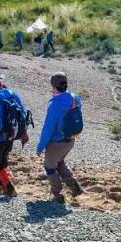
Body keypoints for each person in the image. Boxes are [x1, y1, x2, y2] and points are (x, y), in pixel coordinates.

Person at [37, 72, 84, 203]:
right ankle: (75, 187)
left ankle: (57, 195)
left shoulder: (55, 104)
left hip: (57, 142)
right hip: (71, 139)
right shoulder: (75, 98)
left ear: (53, 85)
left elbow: (48, 128)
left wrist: (40, 146)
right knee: (60, 162)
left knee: (49, 167)